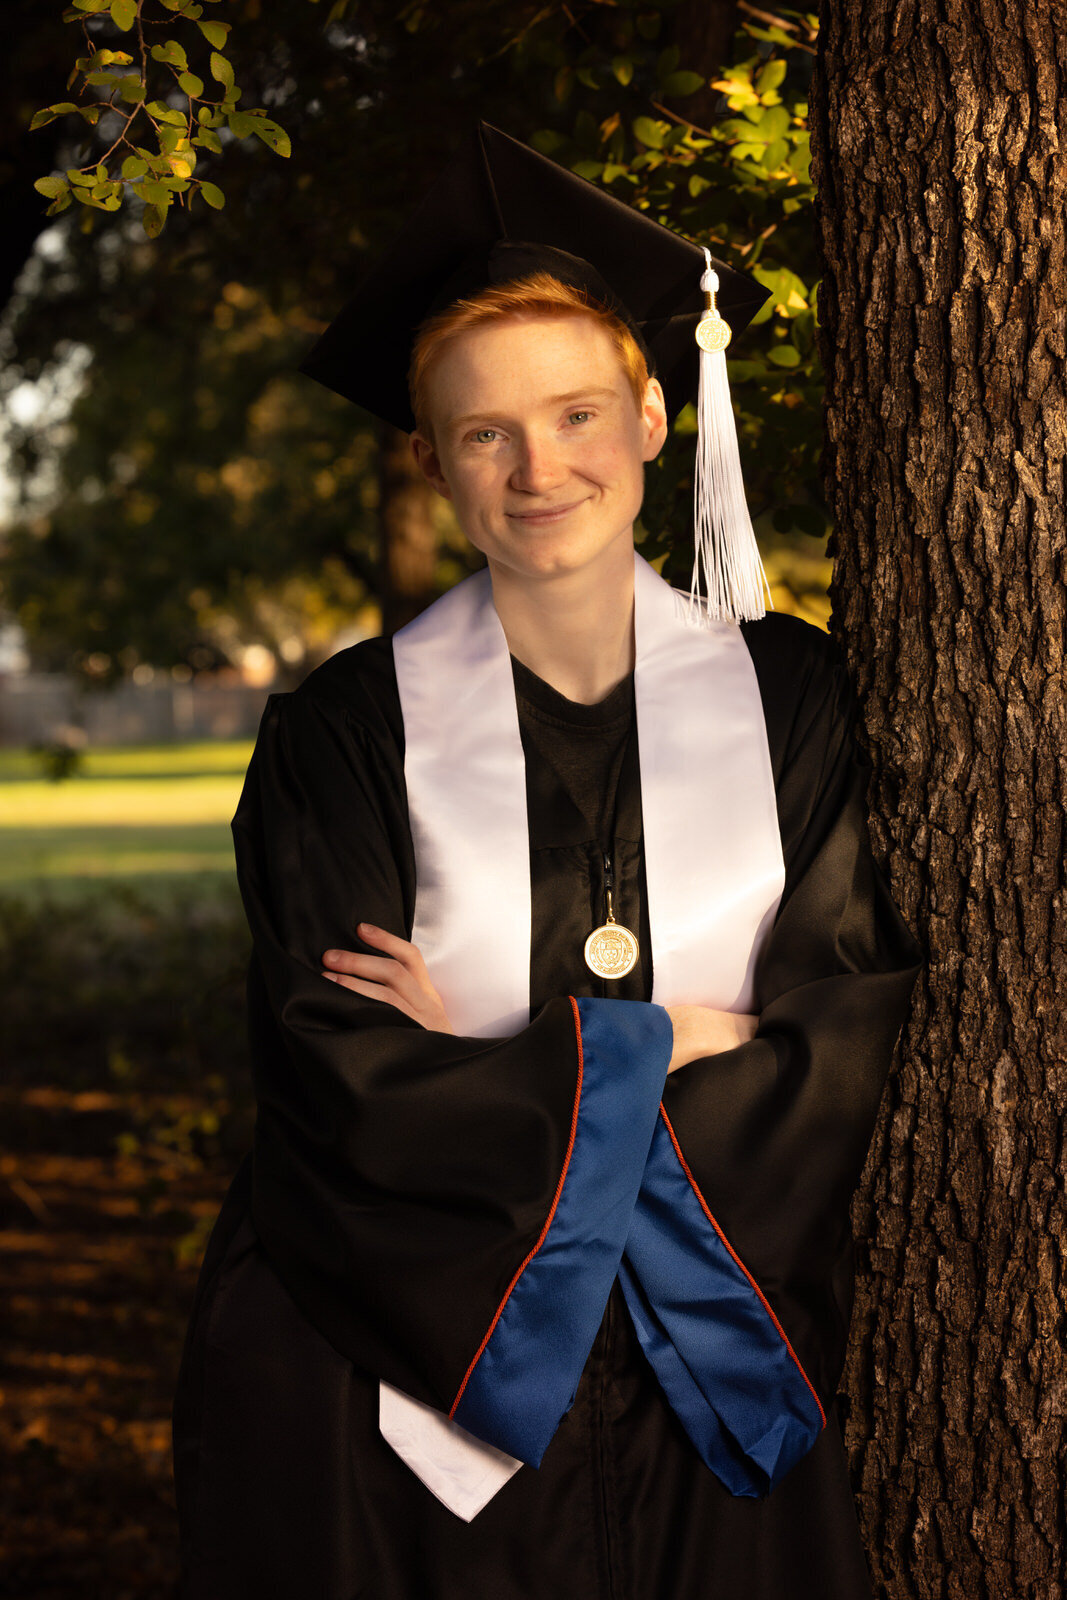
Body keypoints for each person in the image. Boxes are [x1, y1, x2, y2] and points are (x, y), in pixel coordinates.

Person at [172, 121, 923, 1599]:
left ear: (653, 419)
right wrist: (667, 1047)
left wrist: (519, 1060)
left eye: (577, 415)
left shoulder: (794, 698)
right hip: (402, 1394)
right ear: (436, 459)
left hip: (712, 1364)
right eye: (484, 433)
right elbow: (341, 1079)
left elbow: (837, 1028)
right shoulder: (340, 738)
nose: (539, 469)